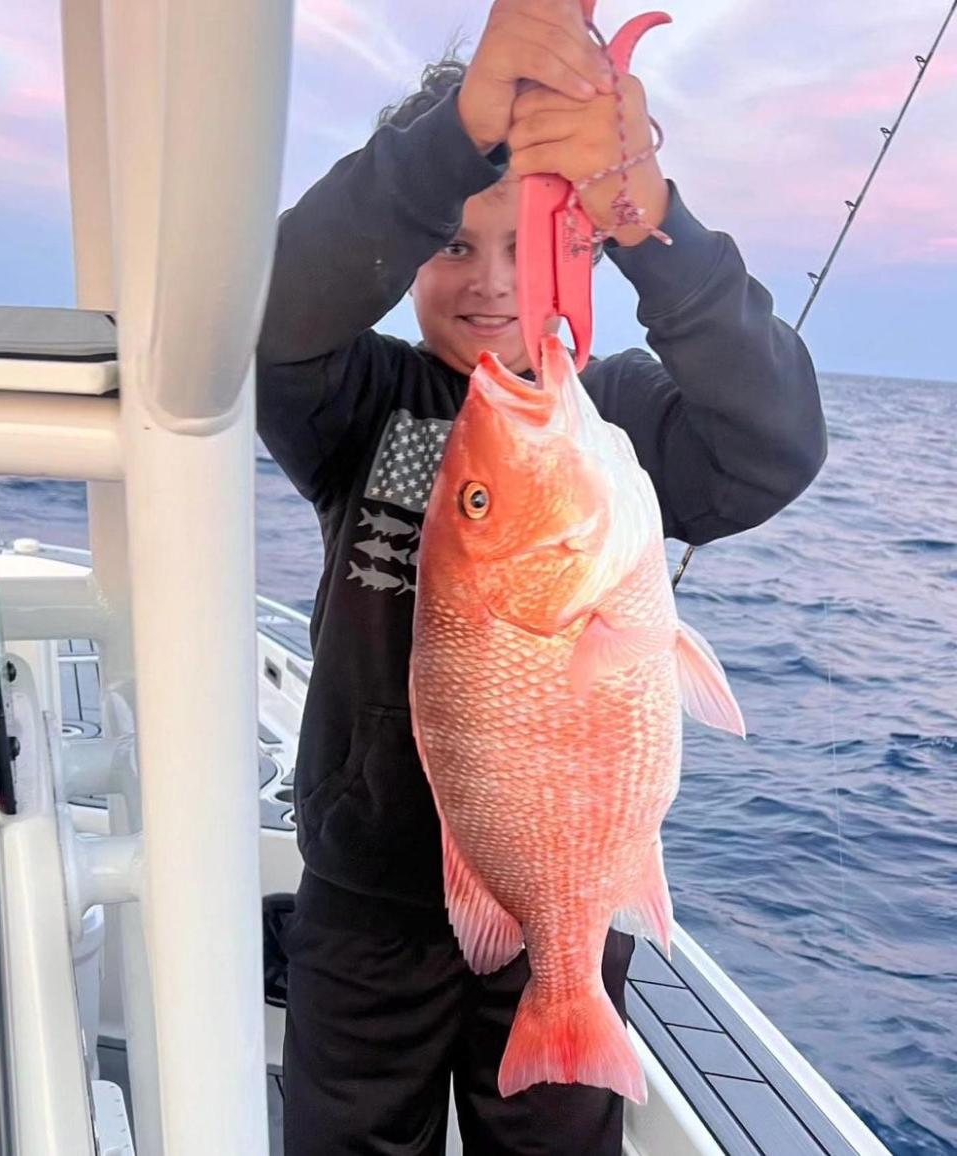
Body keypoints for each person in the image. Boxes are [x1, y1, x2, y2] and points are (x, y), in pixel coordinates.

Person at [256, 2, 827, 1152]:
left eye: (525, 240)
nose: (489, 282)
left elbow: (772, 444)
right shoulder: (362, 401)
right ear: (404, 246)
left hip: (566, 893)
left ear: (575, 246)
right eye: (452, 243)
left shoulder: (612, 421)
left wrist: (648, 222)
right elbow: (275, 317)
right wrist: (458, 132)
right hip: (368, 901)